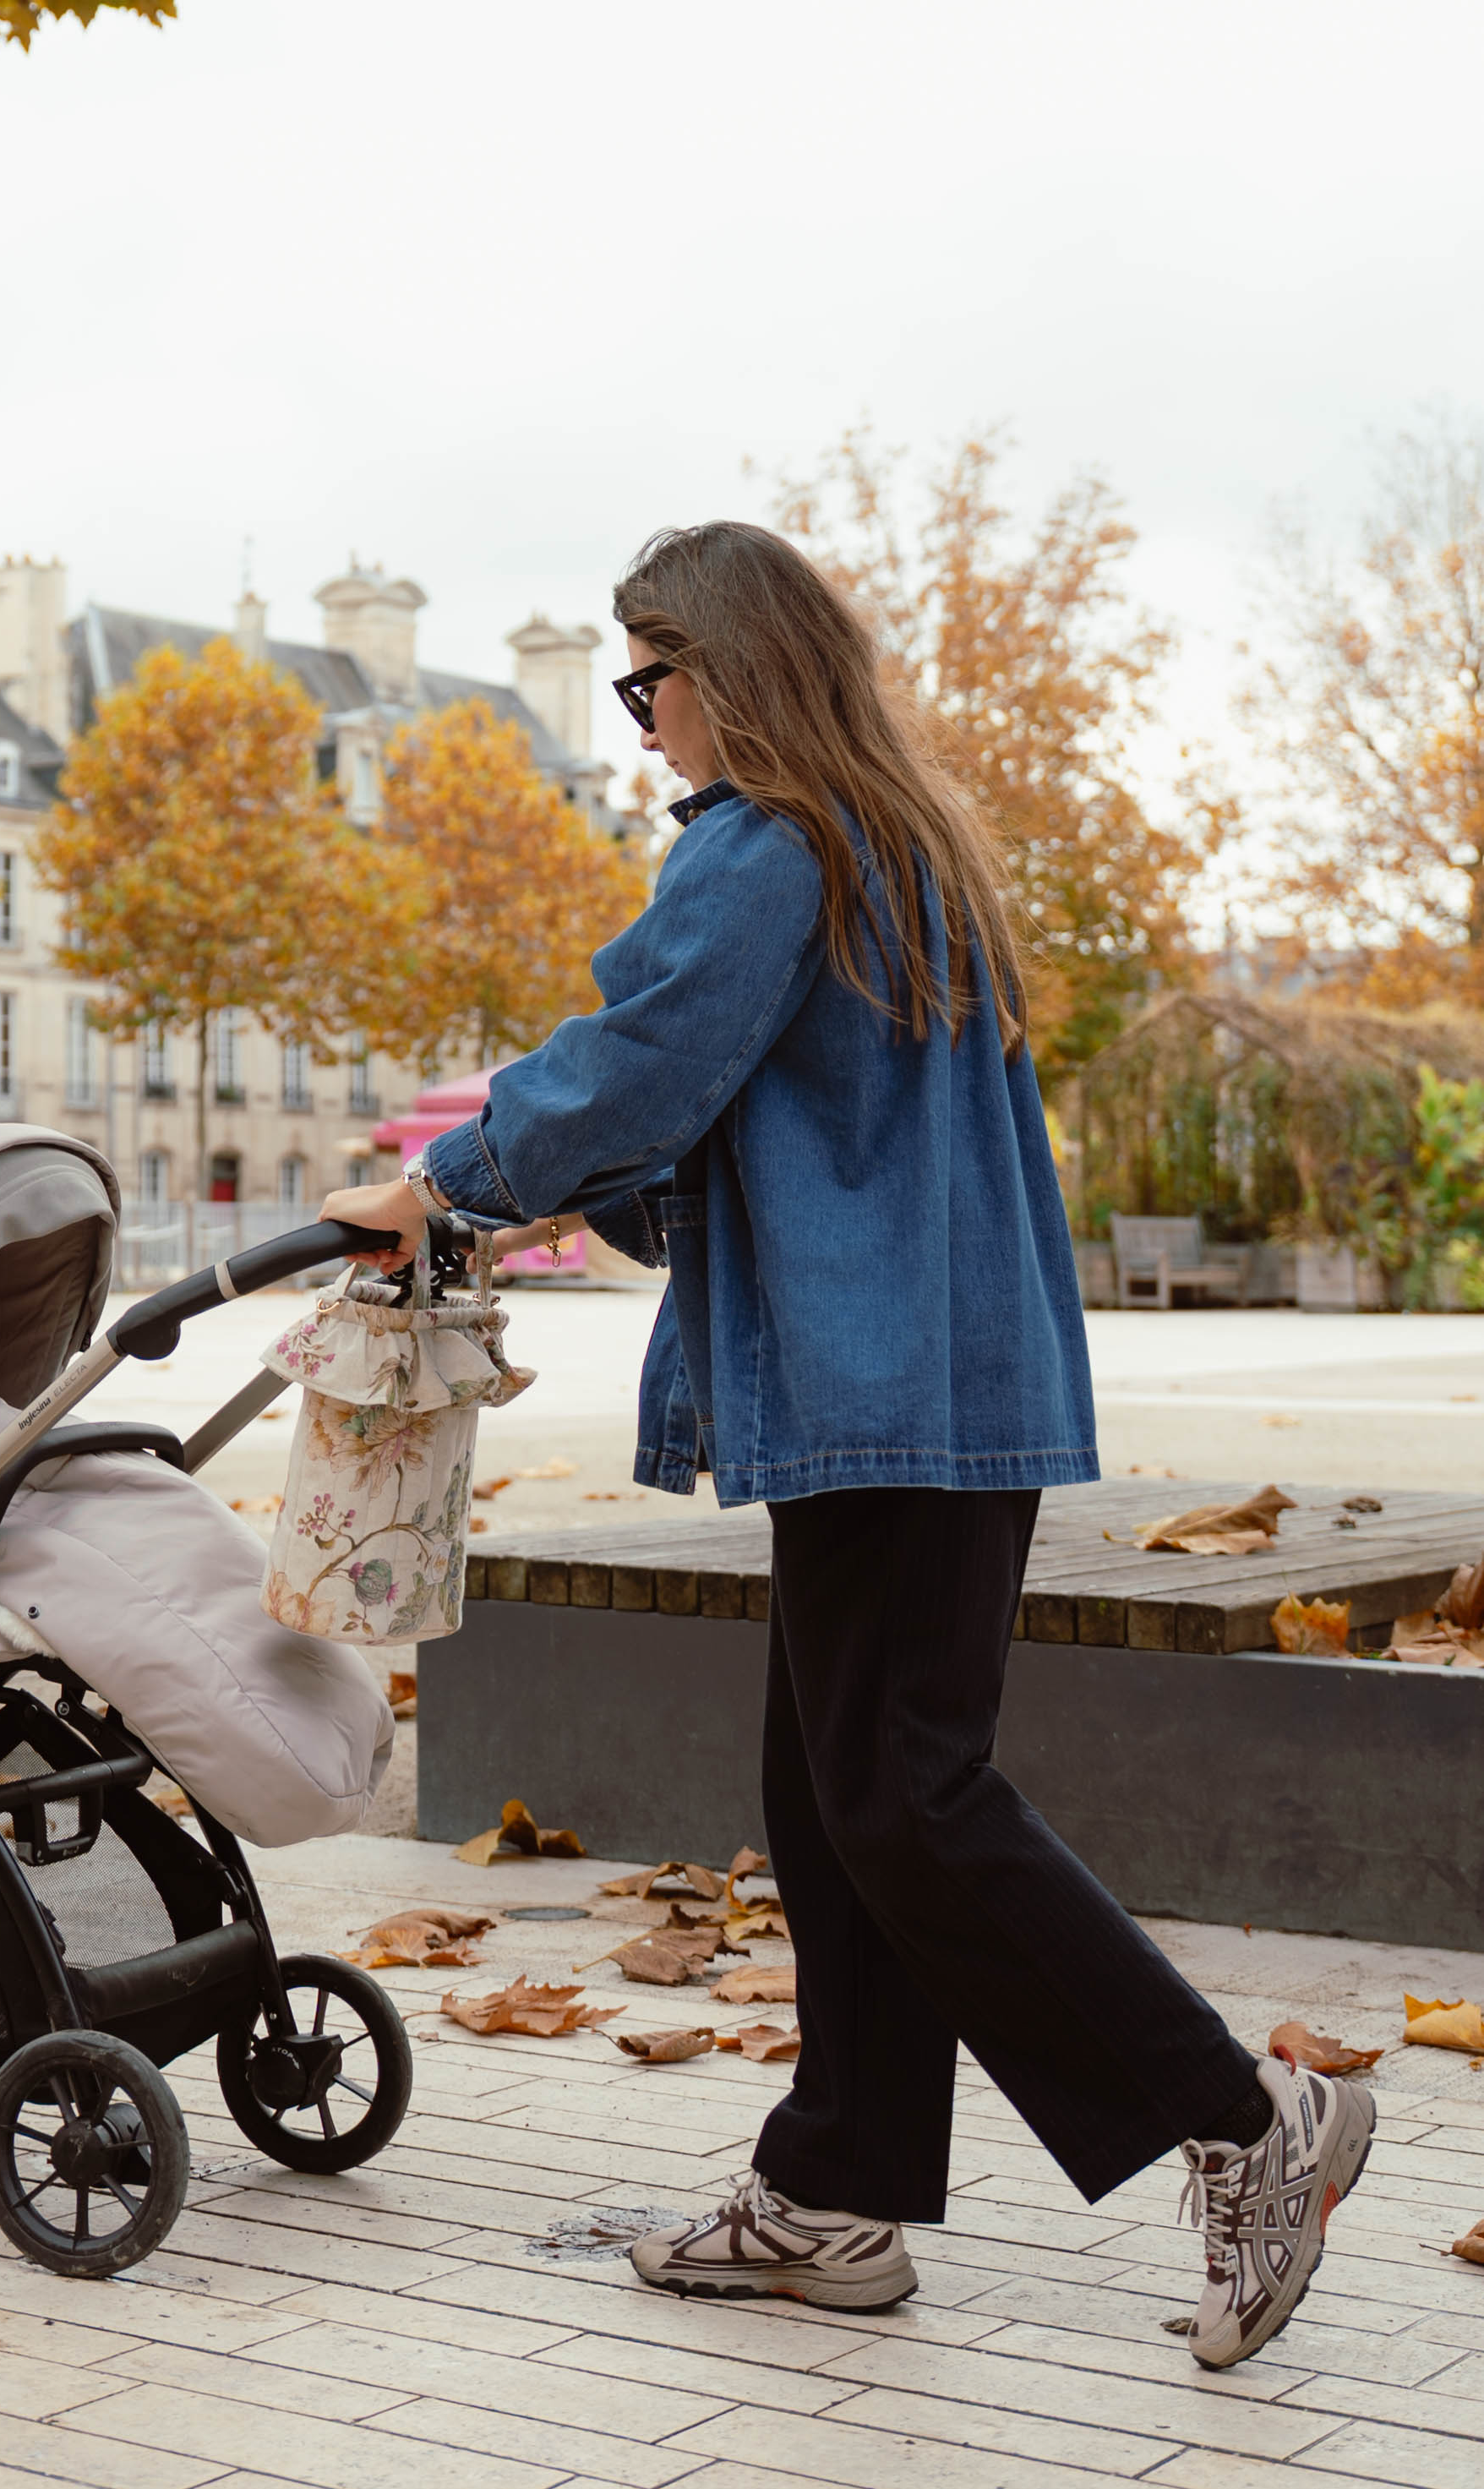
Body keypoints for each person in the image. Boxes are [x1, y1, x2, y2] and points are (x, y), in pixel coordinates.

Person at [322, 516, 1370, 2371]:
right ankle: (837, 2191)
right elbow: (733, 1133)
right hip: (945, 1383)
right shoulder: (904, 847)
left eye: (650, 680)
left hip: (879, 1388)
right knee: (841, 1797)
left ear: (730, 670)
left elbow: (641, 1065)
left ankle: (1244, 2121)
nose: (641, 720)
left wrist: (448, 1183)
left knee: (900, 1793)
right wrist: (536, 1195)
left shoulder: (768, 847)